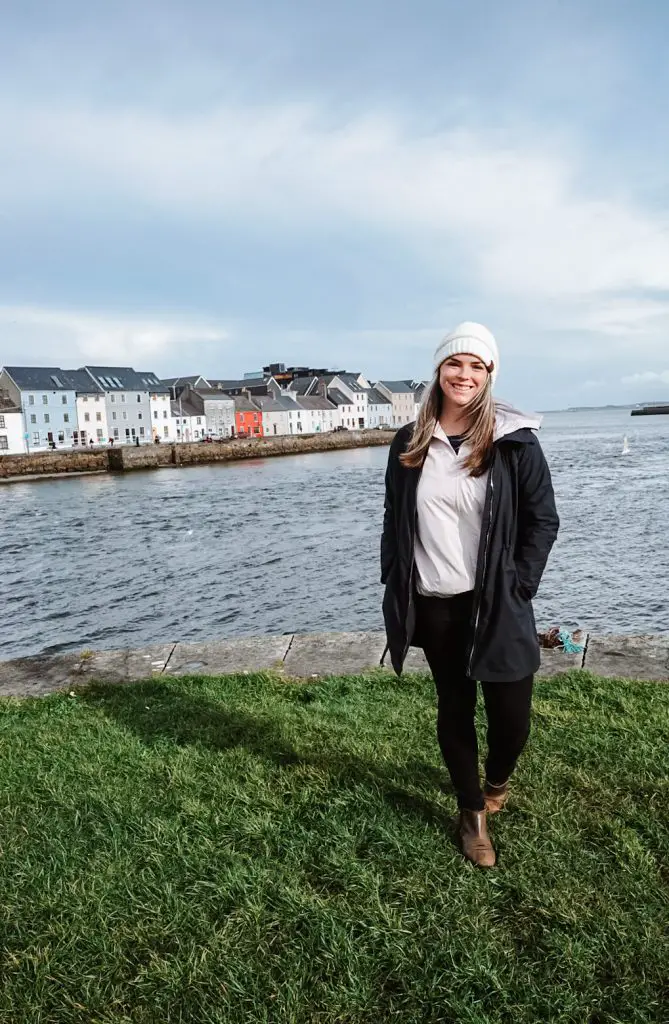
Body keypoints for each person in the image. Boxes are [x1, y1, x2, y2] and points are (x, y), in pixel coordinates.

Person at [381, 322, 559, 868]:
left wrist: (519, 585)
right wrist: (396, 578)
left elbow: (542, 521)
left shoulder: (514, 442)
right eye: (456, 363)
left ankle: (497, 780)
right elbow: (395, 517)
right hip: (435, 601)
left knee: (512, 719)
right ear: (439, 370)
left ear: (489, 375)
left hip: (499, 604)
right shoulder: (408, 443)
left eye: (477, 366)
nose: (465, 374)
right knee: (454, 707)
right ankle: (471, 815)